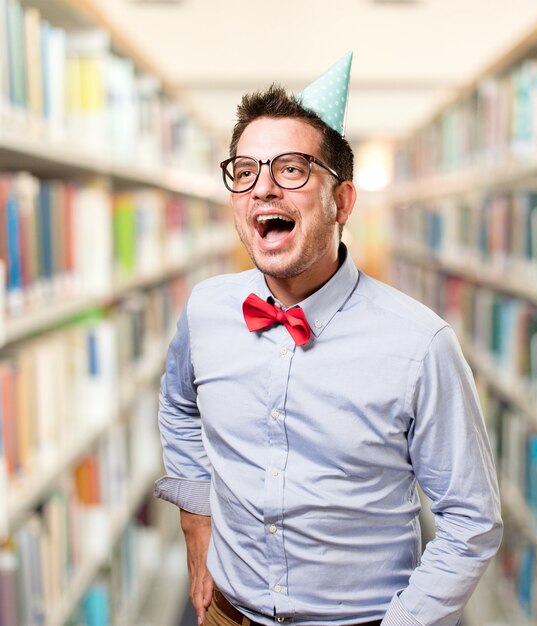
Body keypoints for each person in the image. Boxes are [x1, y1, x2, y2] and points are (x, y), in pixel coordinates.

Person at [155, 53, 502, 626]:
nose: (263, 189)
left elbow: (471, 518)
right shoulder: (206, 309)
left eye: (291, 169)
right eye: (245, 171)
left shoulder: (421, 344)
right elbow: (178, 405)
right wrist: (197, 520)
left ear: (341, 202)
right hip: (225, 613)